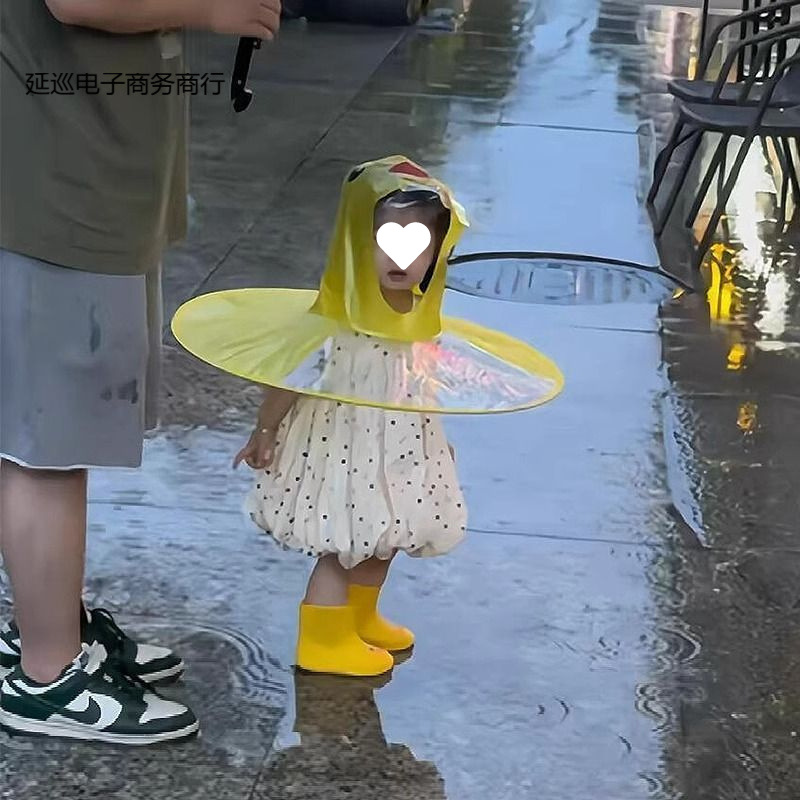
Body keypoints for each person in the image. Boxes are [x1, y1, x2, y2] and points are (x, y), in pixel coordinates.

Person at [0, 0, 281, 745]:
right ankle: (47, 673)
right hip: (56, 186)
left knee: (55, 437)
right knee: (46, 445)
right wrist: (215, 11)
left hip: (92, 169)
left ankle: (49, 623)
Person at [170, 155, 564, 678]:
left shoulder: (419, 315)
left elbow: (421, 376)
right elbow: (290, 374)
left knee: (389, 536)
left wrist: (439, 429)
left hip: (400, 447)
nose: (402, 258)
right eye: (386, 242)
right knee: (343, 545)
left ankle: (360, 616)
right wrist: (265, 429)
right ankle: (322, 638)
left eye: (419, 245)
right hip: (346, 448)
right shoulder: (339, 319)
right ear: (357, 245)